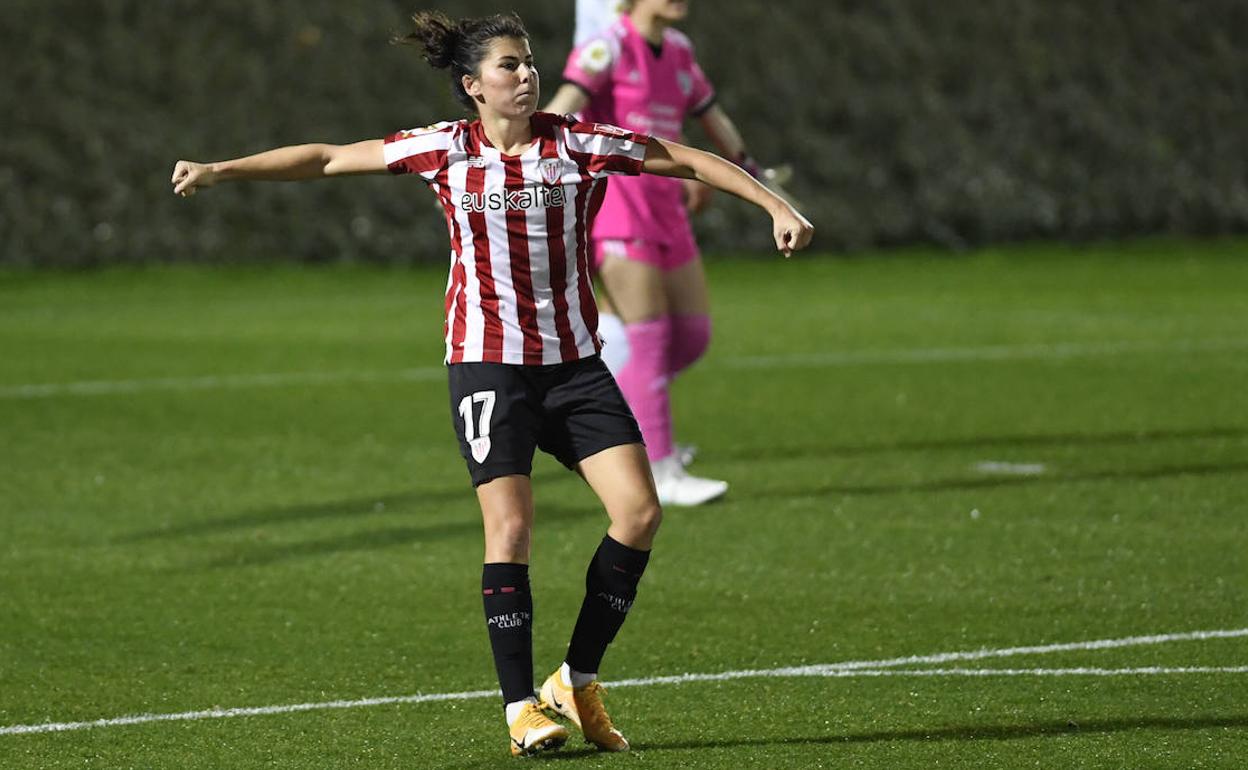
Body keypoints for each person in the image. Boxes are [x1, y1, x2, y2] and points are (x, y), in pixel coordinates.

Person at [170, 10, 812, 758]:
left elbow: (690, 158)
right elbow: (324, 159)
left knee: (638, 513)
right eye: (509, 66)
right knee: (509, 530)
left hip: (575, 367)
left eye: (530, 61)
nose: (527, 74)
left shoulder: (580, 145)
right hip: (489, 366)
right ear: (472, 86)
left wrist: (775, 203)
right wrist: (222, 170)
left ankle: (575, 678)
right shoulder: (443, 150)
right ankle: (519, 709)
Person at [545, 0, 780, 506]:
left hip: (668, 210)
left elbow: (710, 115)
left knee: (692, 336)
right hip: (620, 212)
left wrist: (746, 168)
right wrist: (536, 147)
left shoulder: (678, 50)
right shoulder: (608, 45)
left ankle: (603, 410)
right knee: (649, 343)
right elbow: (567, 102)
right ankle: (658, 468)